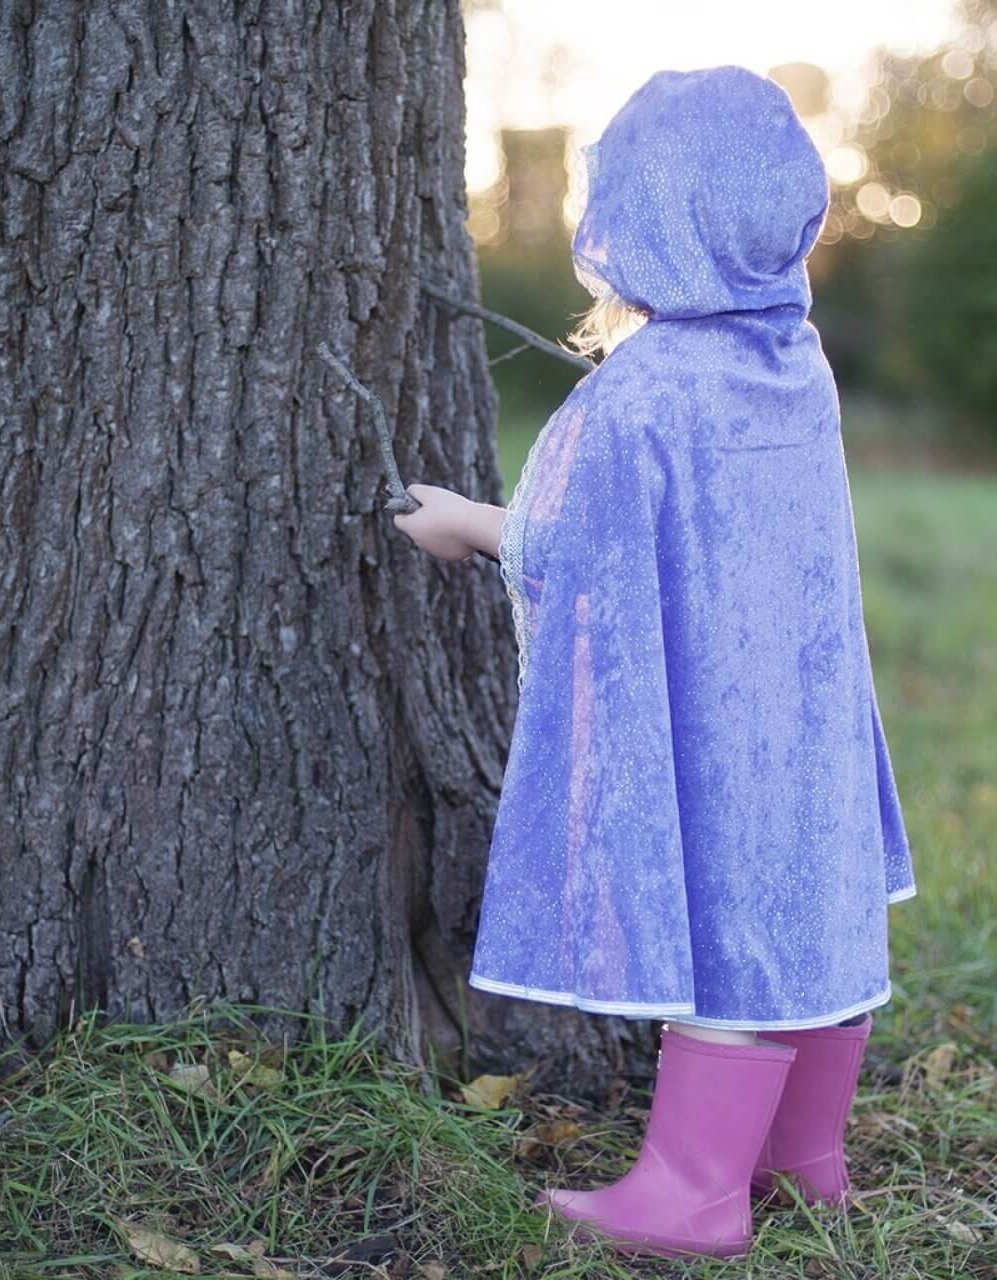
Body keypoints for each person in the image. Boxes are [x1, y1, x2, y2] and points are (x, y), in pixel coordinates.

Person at [392, 64, 915, 1262]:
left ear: (642, 220)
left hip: (706, 726)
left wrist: (463, 518)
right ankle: (802, 1157)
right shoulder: (799, 364)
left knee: (727, 918)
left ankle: (690, 1190)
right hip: (809, 713)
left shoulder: (636, 398)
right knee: (808, 909)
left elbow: (559, 548)